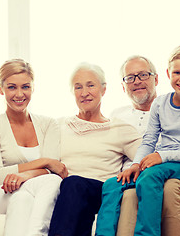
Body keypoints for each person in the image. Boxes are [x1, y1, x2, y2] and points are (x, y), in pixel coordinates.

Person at [95, 44, 180, 236]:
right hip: (161, 166)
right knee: (112, 184)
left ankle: (146, 233)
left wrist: (161, 156)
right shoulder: (160, 103)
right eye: (177, 72)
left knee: (151, 176)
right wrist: (135, 165)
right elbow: (149, 140)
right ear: (168, 74)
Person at [48, 62, 142, 236]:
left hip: (101, 191)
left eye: (90, 85)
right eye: (78, 87)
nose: (84, 93)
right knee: (72, 190)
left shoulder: (120, 128)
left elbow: (146, 157)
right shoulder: (57, 125)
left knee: (74, 183)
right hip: (66, 193)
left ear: (103, 89)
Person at [0, 59, 67, 236]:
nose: (19, 94)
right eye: (11, 87)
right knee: (51, 183)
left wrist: (25, 175)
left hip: (25, 191)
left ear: (33, 88)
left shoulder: (49, 124)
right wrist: (44, 162)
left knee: (24, 198)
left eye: (25, 87)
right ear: (0, 89)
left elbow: (54, 172)